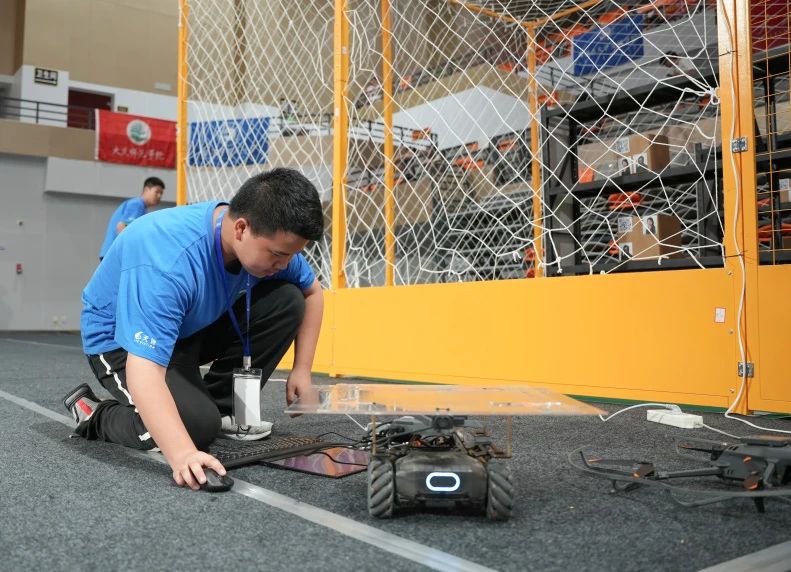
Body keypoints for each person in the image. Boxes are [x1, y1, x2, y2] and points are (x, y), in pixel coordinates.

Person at [63, 168, 325, 491]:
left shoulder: (265, 236)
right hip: (119, 344)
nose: (286, 264)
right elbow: (144, 370)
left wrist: (302, 370)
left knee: (287, 299)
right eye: (279, 255)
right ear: (241, 229)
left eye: (293, 255)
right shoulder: (168, 260)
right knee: (193, 429)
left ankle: (220, 410)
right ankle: (96, 415)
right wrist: (183, 453)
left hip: (185, 329)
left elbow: (313, 292)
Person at [99, 177, 165, 260]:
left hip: (113, 253)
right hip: (115, 255)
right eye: (157, 192)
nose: (159, 196)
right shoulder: (137, 204)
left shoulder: (142, 209)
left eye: (161, 193)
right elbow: (121, 227)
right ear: (146, 189)